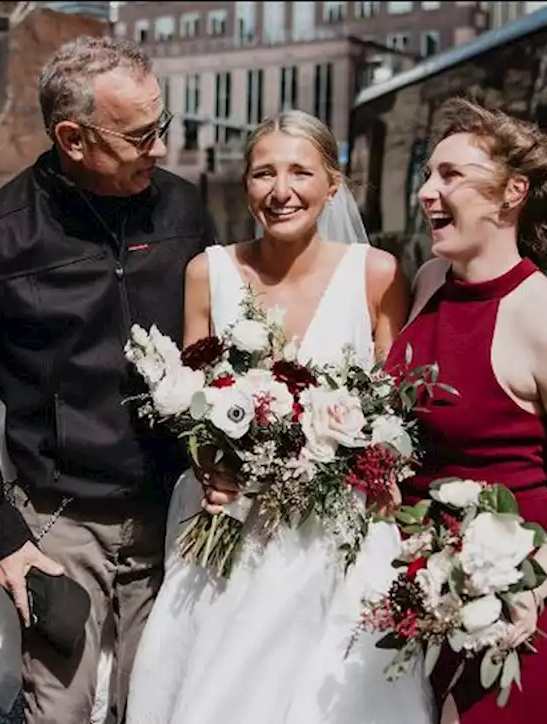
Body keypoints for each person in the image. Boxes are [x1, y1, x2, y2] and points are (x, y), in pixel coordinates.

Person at [0, 36, 217, 724]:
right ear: (73, 137)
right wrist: (4, 542)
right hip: (56, 524)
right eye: (141, 134)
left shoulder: (183, 212)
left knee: (156, 705)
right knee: (57, 711)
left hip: (172, 512)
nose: (160, 148)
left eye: (161, 126)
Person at [126, 109, 432, 724]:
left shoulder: (376, 275)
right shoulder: (208, 272)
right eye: (263, 173)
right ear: (246, 185)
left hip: (337, 536)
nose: (281, 190)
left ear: (333, 184)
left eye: (300, 172)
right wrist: (211, 463)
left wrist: (370, 464)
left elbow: (395, 413)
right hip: (232, 525)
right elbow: (192, 400)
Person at [383, 97, 547, 723]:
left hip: (522, 600)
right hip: (426, 583)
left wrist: (526, 586)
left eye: (451, 175)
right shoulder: (433, 278)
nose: (427, 192)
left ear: (512, 192)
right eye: (428, 174)